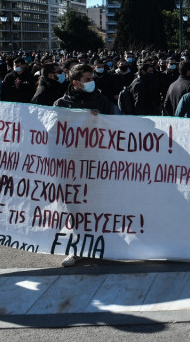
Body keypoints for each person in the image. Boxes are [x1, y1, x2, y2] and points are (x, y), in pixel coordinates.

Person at [53, 63, 115, 267]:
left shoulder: (102, 100)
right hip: (71, 164)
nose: (92, 82)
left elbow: (116, 127)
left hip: (97, 162)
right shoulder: (61, 104)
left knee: (98, 205)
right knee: (75, 208)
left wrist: (101, 120)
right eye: (87, 79)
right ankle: (78, 248)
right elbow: (52, 131)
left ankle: (103, 245)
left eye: (92, 78)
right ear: (76, 82)